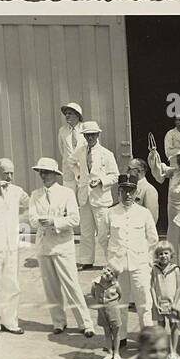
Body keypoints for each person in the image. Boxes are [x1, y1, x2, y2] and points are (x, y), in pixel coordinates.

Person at [28, 157, 94, 337]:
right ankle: (59, 322)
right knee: (51, 287)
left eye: (47, 172)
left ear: (55, 175)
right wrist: (42, 222)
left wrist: (54, 221)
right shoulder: (35, 195)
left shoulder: (66, 193)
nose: (43, 175)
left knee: (71, 285)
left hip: (63, 245)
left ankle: (86, 324)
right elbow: (32, 219)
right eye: (41, 172)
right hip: (44, 246)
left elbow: (74, 219)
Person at [103, 175, 159, 346]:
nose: (127, 195)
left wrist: (147, 261)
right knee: (120, 302)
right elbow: (103, 238)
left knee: (144, 303)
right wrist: (112, 257)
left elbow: (153, 239)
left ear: (136, 193)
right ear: (118, 192)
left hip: (139, 264)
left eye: (131, 191)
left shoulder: (144, 213)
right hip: (118, 266)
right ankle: (121, 337)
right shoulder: (110, 213)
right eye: (124, 191)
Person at [0, 157, 28, 346]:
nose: (9, 177)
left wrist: (22, 232)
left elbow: (29, 205)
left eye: (12, 173)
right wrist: (0, 196)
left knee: (12, 285)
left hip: (12, 246)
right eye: (5, 173)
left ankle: (9, 321)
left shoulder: (17, 191)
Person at [74, 120, 120, 269]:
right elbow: (71, 163)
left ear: (98, 134)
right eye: (87, 135)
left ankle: (112, 262)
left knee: (103, 233)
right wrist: (78, 176)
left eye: (93, 134)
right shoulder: (80, 151)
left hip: (100, 198)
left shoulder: (106, 154)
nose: (90, 138)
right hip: (84, 197)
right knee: (86, 231)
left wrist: (101, 181)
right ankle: (86, 260)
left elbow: (115, 175)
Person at [150, 242, 180, 359]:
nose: (163, 256)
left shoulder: (175, 269)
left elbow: (179, 288)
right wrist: (155, 303)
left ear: (171, 254)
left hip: (172, 303)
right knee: (160, 326)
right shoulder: (155, 269)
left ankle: (173, 351)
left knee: (174, 326)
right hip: (159, 303)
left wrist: (174, 303)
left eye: (166, 253)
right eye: (160, 254)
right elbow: (152, 287)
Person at [90, 265, 124, 359]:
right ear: (104, 269)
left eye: (112, 273)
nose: (108, 273)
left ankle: (116, 352)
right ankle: (109, 352)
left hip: (113, 311)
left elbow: (120, 295)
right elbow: (93, 294)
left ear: (114, 277)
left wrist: (112, 304)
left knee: (116, 333)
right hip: (102, 312)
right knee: (107, 332)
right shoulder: (95, 283)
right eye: (108, 270)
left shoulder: (115, 285)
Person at [122, 159, 160, 227]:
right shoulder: (128, 188)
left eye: (129, 169)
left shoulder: (149, 190)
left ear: (138, 171)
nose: (127, 171)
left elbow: (152, 217)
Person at [56, 102, 86, 186]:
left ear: (77, 115)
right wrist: (70, 160)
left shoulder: (85, 128)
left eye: (70, 113)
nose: (67, 116)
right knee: (69, 196)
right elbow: (62, 150)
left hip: (83, 170)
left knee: (83, 197)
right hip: (68, 171)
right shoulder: (62, 131)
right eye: (66, 114)